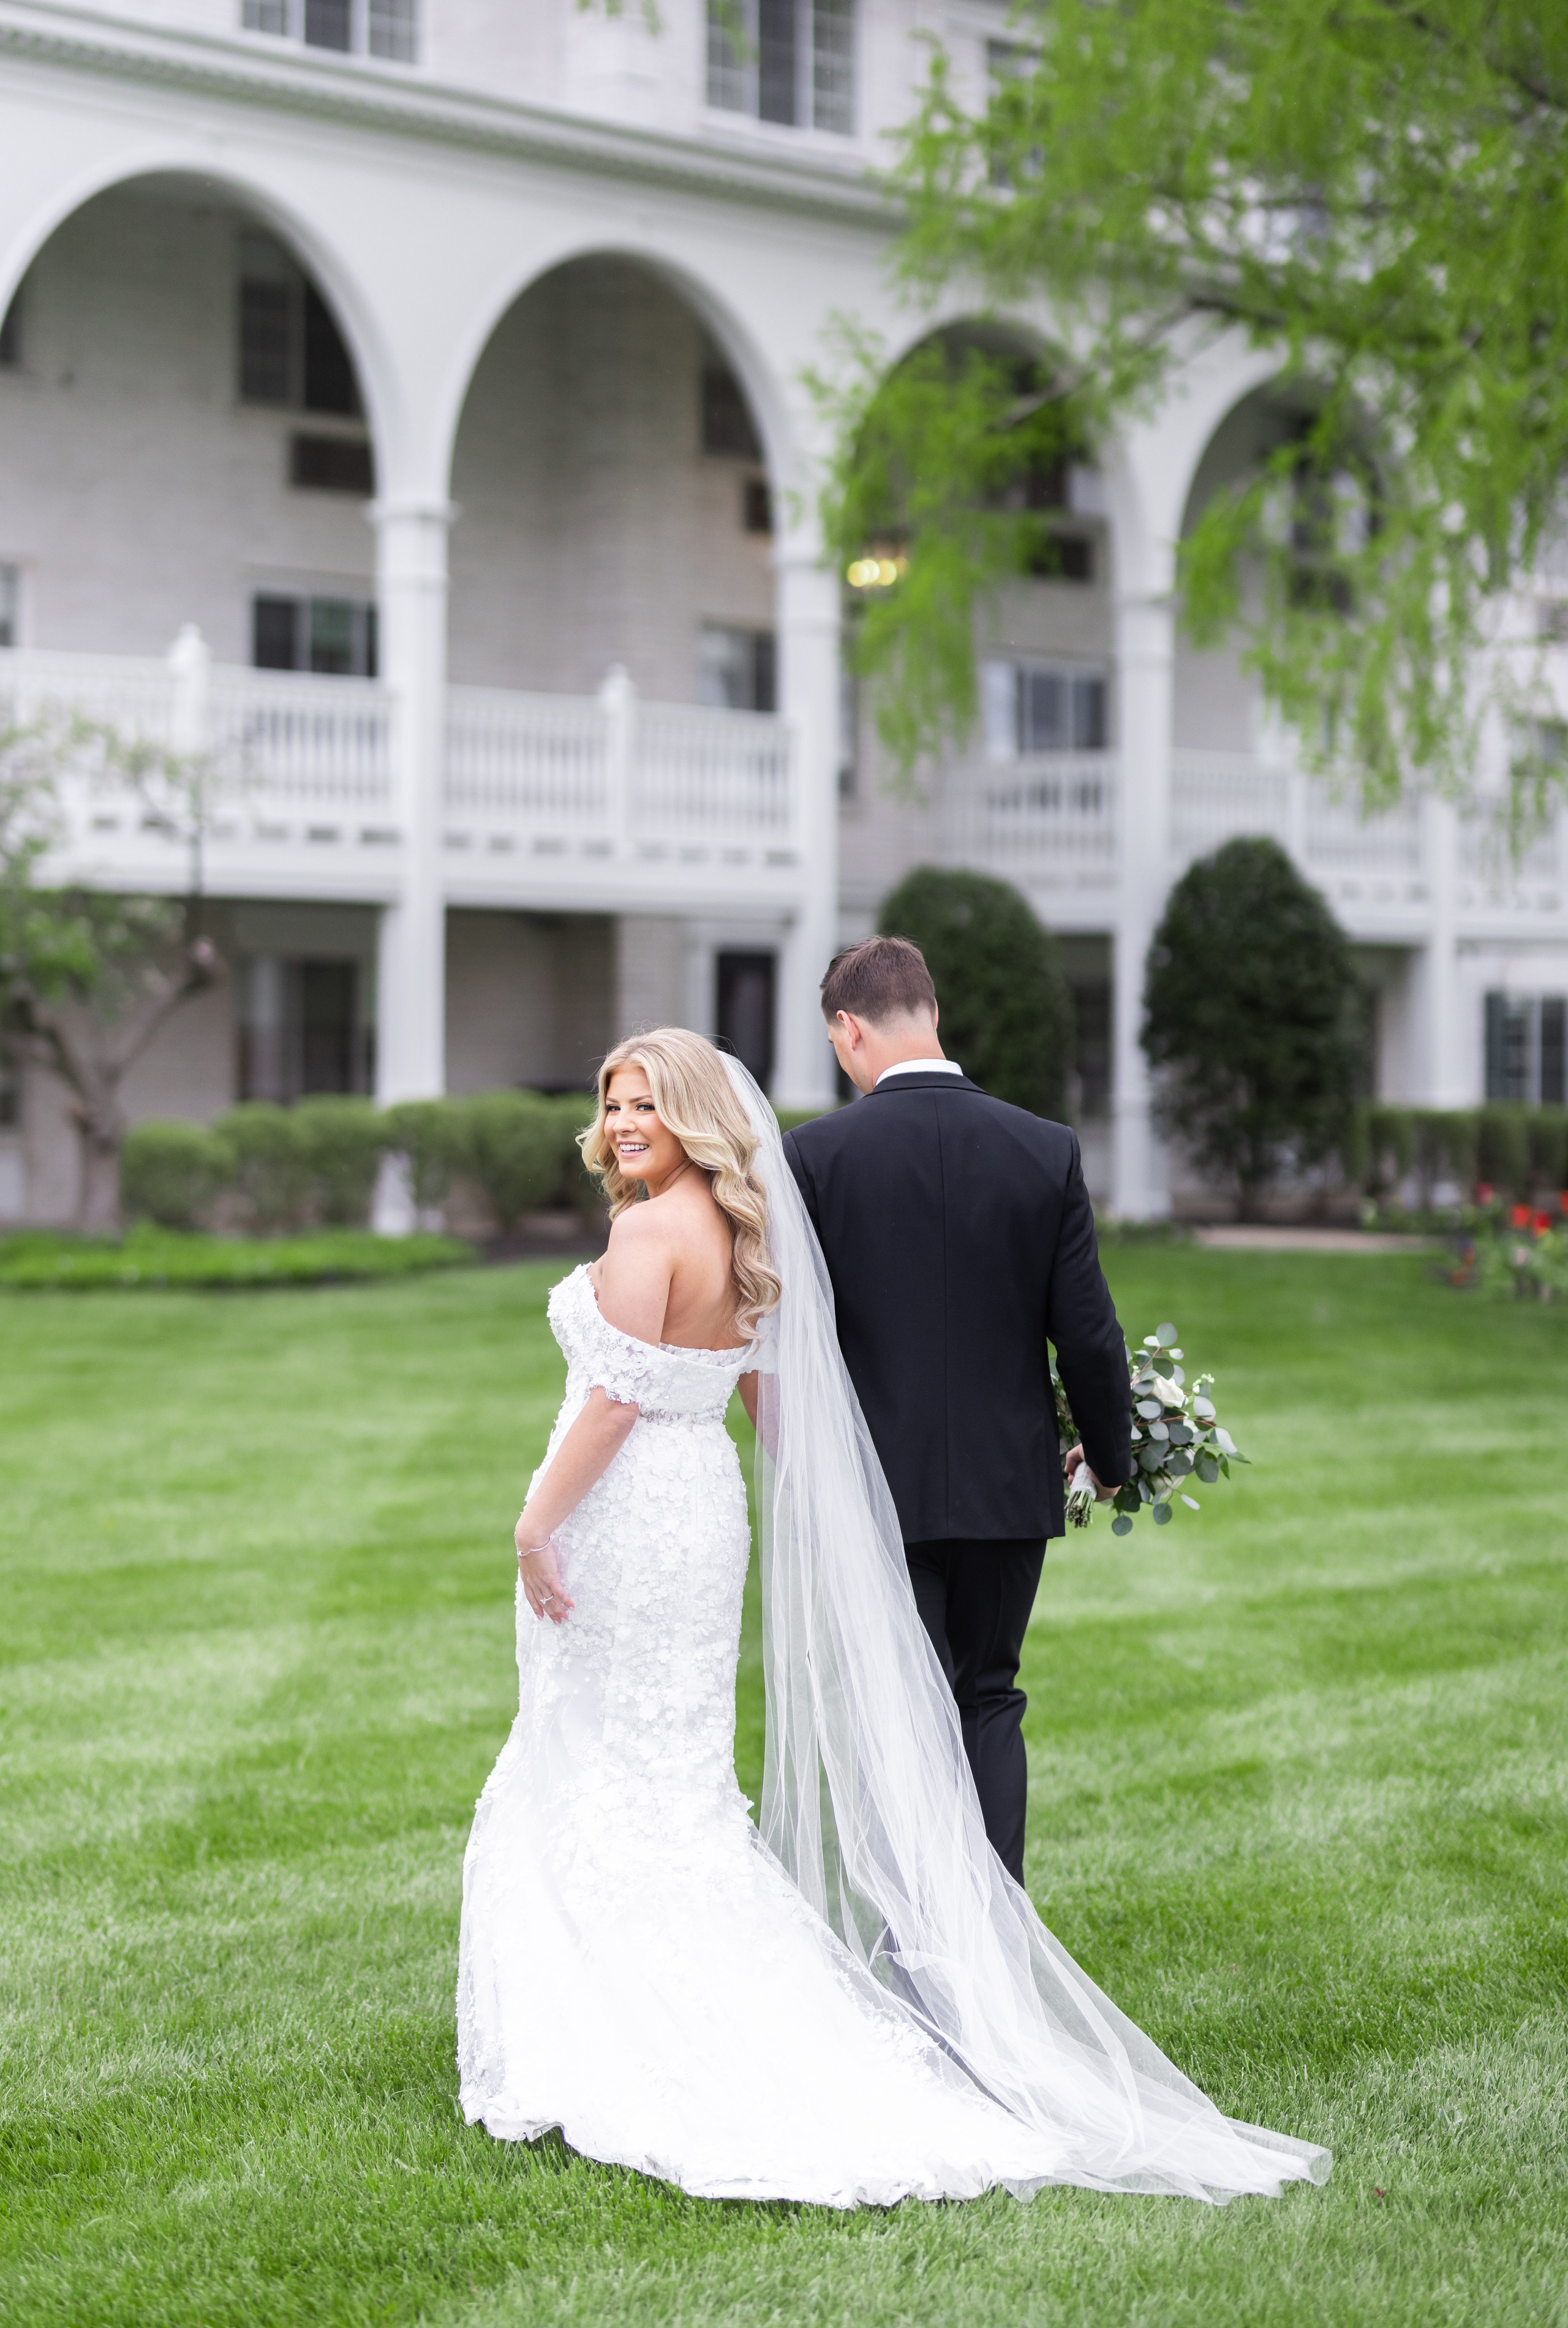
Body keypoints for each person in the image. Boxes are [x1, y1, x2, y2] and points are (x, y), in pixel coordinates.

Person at [457, 1026, 1329, 2207]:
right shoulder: (745, 1225)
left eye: (645, 1105)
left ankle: (638, 2014)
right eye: (612, 1103)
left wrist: (532, 1525)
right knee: (687, 1769)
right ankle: (876, 1966)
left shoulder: (657, 1225)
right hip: (711, 1514)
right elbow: (775, 1386)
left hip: (631, 1511)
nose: (621, 1124)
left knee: (608, 1756)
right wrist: (844, 1499)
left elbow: (615, 1398)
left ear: (695, 1113)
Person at [782, 935, 1128, 1881]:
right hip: (1005, 1488)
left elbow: (795, 1335)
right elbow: (1090, 1337)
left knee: (902, 1710)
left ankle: (925, 1946)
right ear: (929, 1012)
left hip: (873, 1490)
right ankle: (998, 1943)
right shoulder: (1044, 1149)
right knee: (987, 1696)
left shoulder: (813, 1156)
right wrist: (1109, 1458)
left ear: (849, 1029)